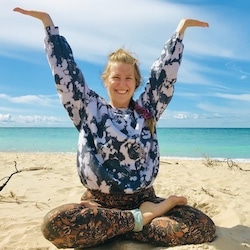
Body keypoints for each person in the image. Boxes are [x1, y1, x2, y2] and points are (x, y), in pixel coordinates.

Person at [14, 7, 215, 249]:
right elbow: (67, 75)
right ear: (105, 80)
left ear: (137, 82)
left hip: (142, 199)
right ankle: (140, 220)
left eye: (128, 78)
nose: (122, 84)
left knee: (202, 225)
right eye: (116, 78)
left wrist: (180, 33)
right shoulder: (89, 109)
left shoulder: (147, 111)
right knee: (54, 223)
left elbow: (163, 77)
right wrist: (49, 26)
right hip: (99, 205)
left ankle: (119, 226)